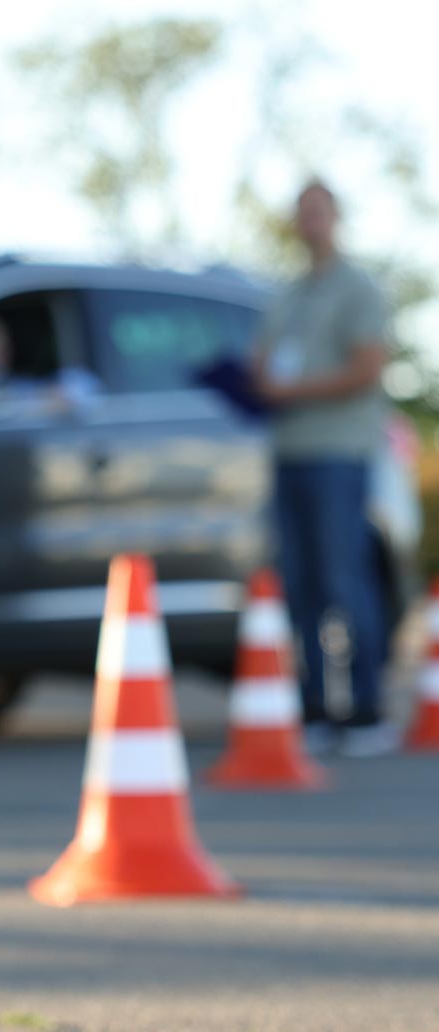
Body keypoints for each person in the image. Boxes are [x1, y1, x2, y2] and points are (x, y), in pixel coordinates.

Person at [252, 178, 394, 756]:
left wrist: (292, 390)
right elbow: (263, 362)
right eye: (301, 211)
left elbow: (367, 368)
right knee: (300, 584)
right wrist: (256, 382)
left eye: (318, 210)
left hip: (338, 454)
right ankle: (315, 707)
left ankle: (366, 708)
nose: (309, 220)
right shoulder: (287, 294)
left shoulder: (357, 288)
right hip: (288, 454)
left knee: (344, 579)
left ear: (336, 216)